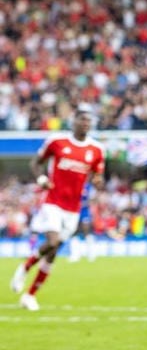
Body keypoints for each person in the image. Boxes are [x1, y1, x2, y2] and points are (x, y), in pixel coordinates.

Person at [10, 105, 105, 311]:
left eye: (89, 121)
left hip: (73, 208)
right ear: (74, 121)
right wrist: (42, 178)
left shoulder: (96, 150)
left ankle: (30, 295)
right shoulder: (57, 142)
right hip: (53, 201)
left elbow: (98, 175)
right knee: (52, 242)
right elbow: (36, 163)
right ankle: (24, 268)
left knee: (53, 253)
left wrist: (98, 181)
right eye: (82, 119)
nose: (85, 124)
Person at [68, 182, 97, 263]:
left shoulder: (88, 186)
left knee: (87, 231)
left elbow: (93, 199)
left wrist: (83, 203)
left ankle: (91, 254)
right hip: (74, 211)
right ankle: (75, 255)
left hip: (84, 211)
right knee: (74, 232)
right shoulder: (73, 185)